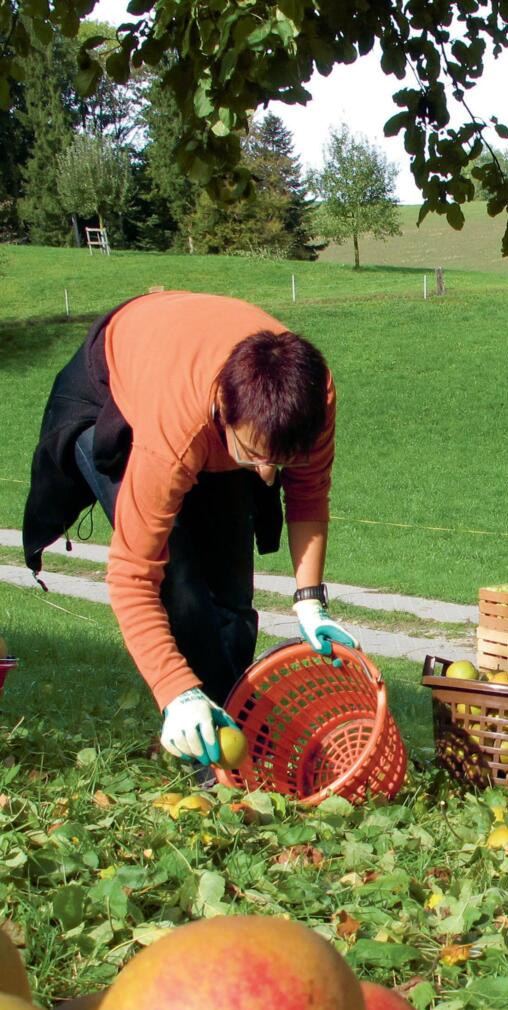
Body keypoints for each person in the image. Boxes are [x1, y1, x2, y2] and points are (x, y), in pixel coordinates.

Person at [22, 290, 358, 768]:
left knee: (232, 602)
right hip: (115, 386)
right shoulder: (175, 433)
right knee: (180, 584)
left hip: (198, 378)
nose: (267, 475)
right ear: (225, 411)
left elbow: (307, 494)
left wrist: (310, 603)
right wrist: (174, 691)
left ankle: (235, 737)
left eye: (280, 461)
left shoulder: (312, 397)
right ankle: (210, 748)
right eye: (257, 457)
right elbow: (133, 575)